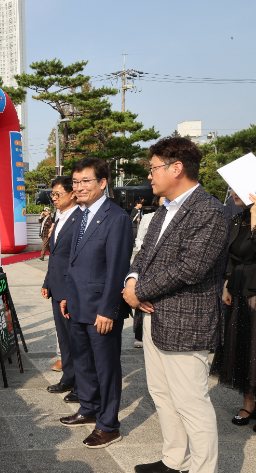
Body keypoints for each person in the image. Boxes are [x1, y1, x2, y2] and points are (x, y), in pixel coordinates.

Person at [123, 137, 228, 473]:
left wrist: (140, 293)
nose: (149, 176)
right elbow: (143, 255)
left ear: (176, 168)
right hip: (154, 317)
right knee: (163, 396)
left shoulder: (210, 211)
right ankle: (174, 459)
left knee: (192, 403)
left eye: (154, 168)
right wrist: (131, 282)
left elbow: (192, 267)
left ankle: (202, 469)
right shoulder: (161, 211)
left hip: (187, 322)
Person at [58, 157, 132, 449]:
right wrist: (66, 294)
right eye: (75, 182)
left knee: (106, 368)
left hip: (100, 308)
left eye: (85, 181)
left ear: (103, 183)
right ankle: (88, 408)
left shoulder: (117, 217)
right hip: (76, 303)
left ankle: (108, 424)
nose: (79, 187)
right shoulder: (80, 214)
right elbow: (73, 262)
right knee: (84, 363)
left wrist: (108, 309)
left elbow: (117, 268)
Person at [213, 189, 256, 431]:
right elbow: (230, 256)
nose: (232, 193)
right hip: (239, 290)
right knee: (244, 348)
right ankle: (248, 401)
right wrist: (227, 285)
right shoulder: (237, 218)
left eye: (238, 187)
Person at [42, 176, 79, 403]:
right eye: (52, 195)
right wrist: (47, 281)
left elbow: (76, 258)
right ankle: (68, 377)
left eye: (58, 194)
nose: (54, 198)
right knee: (63, 337)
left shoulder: (79, 219)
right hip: (57, 285)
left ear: (72, 194)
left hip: (72, 287)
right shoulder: (59, 217)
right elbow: (54, 255)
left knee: (76, 338)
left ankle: (81, 384)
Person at [132, 196, 165, 349]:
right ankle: (139, 335)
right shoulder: (150, 217)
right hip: (145, 264)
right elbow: (140, 239)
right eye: (162, 198)